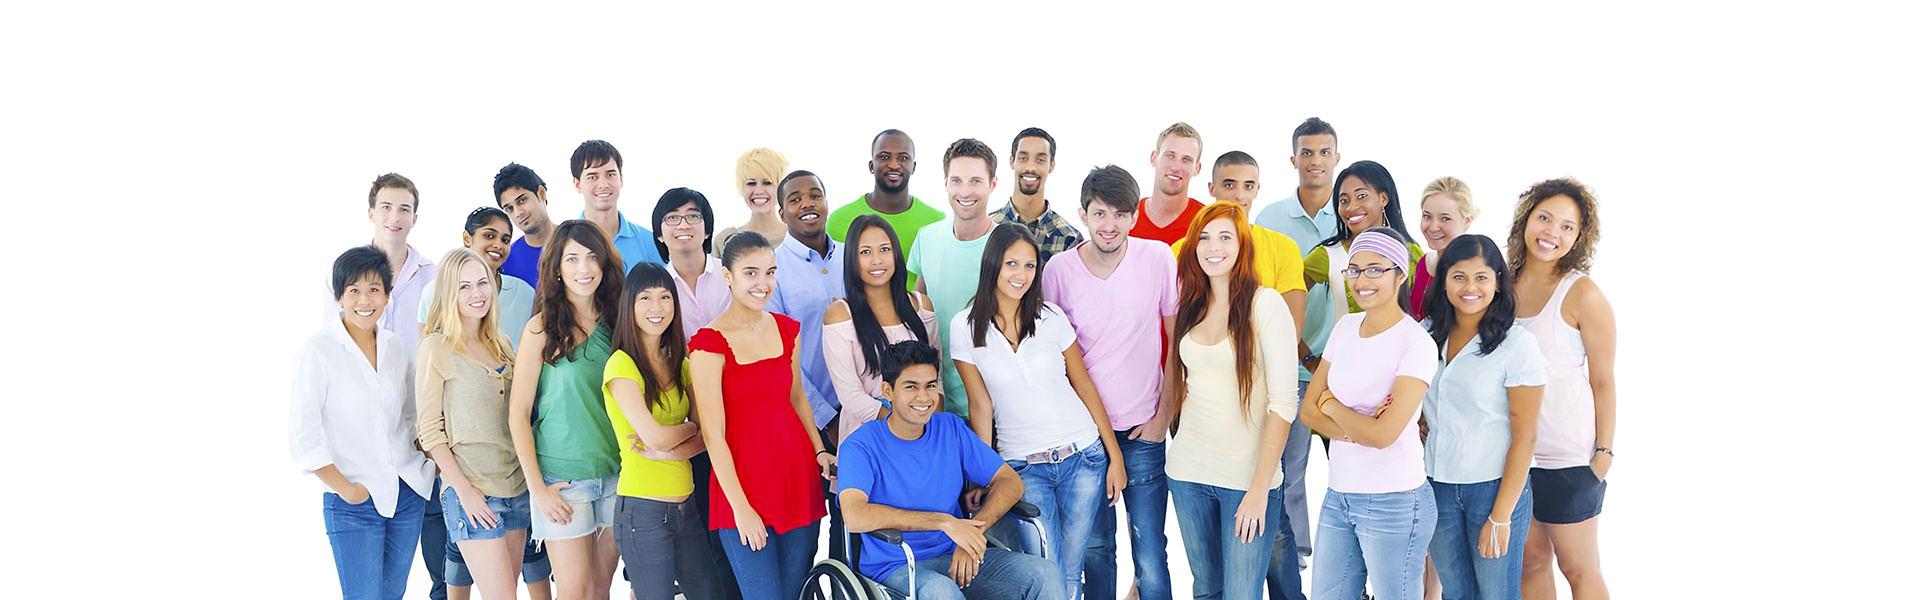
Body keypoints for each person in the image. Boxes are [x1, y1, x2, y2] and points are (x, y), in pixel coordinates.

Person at [950, 223, 1127, 599]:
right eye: (1012, 264)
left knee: (1068, 574)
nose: (1021, 275)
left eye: (1030, 266)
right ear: (993, 265)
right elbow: (981, 407)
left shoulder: (1051, 317)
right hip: (1024, 465)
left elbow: (1084, 386)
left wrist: (1115, 457)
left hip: (1083, 457)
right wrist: (981, 480)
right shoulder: (964, 328)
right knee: (1046, 571)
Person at [1040, 165, 1176, 600]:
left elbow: (1175, 344)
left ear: (1134, 216)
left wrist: (1163, 417)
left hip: (1143, 428)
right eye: (1100, 213)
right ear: (1083, 214)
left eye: (1120, 214)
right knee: (1096, 548)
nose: (1110, 225)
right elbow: (1052, 356)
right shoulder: (1059, 271)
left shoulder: (1157, 258)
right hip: (1085, 435)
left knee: (1151, 548)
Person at [839, 340, 1066, 600]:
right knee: (940, 591)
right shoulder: (861, 445)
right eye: (911, 387)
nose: (924, 398)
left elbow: (1009, 481)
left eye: (930, 386)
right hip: (898, 566)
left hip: (957, 556)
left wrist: (972, 534)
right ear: (888, 392)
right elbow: (855, 515)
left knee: (1042, 573)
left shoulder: (950, 429)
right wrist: (945, 523)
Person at [1163, 203, 1303, 600]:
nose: (1213, 247)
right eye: (1204, 238)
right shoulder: (1190, 303)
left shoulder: (1266, 304)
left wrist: (1259, 489)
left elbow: (1283, 404)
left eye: (1225, 237)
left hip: (1246, 480)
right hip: (1188, 471)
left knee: (1241, 593)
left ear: (1242, 245)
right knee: (1206, 590)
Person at [1296, 228, 1439, 600]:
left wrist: (1331, 405)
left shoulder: (1416, 343)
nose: (1362, 280)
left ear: (1400, 274)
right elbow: (1309, 411)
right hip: (1340, 493)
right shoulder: (1344, 327)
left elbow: (1383, 436)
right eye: (1355, 270)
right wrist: (1352, 420)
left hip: (1395, 500)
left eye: (1375, 269)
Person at [689, 231, 832, 600]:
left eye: (770, 272)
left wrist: (818, 451)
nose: (763, 283)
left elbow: (798, 399)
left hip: (797, 480)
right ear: (728, 276)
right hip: (743, 490)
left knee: (796, 592)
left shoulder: (787, 331)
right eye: (751, 273)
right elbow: (712, 435)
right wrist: (742, 509)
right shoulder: (708, 344)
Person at [291, 245, 436, 600]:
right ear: (339, 296)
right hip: (353, 499)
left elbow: (411, 416)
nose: (364, 300)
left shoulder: (396, 347)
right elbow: (304, 437)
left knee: (392, 595)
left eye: (374, 289)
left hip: (405, 493)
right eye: (353, 290)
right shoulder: (318, 351)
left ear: (387, 295)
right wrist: (348, 489)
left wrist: (427, 460)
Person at [1420, 234, 1546, 600]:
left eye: (1481, 277)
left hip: (1492, 488)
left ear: (1497, 282)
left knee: (1496, 594)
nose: (1469, 287)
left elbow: (1526, 437)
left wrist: (1501, 514)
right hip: (1438, 484)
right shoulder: (1426, 333)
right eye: (1458, 276)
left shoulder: (1516, 344)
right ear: (1443, 281)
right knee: (1456, 593)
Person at [507, 221, 626, 600]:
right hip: (562, 479)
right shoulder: (540, 330)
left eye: (592, 258)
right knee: (575, 591)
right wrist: (537, 488)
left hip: (617, 474)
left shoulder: (620, 322)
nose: (583, 268)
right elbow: (518, 413)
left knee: (600, 589)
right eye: (572, 259)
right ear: (557, 267)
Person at [1508, 179, 1614, 600]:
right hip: (1513, 454)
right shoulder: (1501, 283)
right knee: (1529, 563)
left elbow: (1604, 380)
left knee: (1579, 568)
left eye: (1567, 227)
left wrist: (1603, 455)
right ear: (1527, 219)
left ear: (1579, 236)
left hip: (1567, 456)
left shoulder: (1581, 293)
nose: (1552, 232)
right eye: (1545, 218)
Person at [603, 262, 726, 600]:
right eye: (645, 298)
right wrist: (687, 429)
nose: (656, 308)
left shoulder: (680, 362)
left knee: (711, 594)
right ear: (629, 305)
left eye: (664, 297)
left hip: (686, 508)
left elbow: (706, 434)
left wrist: (671, 445)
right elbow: (660, 435)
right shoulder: (621, 365)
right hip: (643, 511)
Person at [416, 248, 532, 600]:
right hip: (473, 491)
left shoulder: (503, 344)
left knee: (507, 592)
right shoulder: (436, 347)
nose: (477, 293)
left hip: (515, 488)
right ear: (449, 292)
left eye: (482, 283)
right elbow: (430, 431)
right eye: (464, 287)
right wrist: (465, 492)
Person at [1254, 117, 1341, 571]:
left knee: (1352, 472)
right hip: (1295, 369)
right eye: (1307, 152)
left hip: (1348, 374)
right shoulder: (1270, 219)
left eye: (1324, 152)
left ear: (1336, 158)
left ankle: (1345, 557)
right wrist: (1302, 352)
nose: (1315, 161)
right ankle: (1295, 556)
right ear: (1293, 159)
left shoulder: (1351, 214)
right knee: (1289, 470)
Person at [907, 139, 1001, 416]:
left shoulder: (1007, 245)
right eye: (956, 181)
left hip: (996, 408)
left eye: (975, 181)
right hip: (938, 404)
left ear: (992, 184)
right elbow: (920, 312)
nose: (965, 191)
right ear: (946, 183)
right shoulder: (928, 237)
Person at [825, 215, 939, 441]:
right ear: (852, 260)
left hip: (922, 433)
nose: (877, 260)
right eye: (865, 252)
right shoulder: (839, 315)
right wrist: (902, 425)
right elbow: (850, 396)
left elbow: (938, 379)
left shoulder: (921, 306)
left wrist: (926, 431)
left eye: (885, 249)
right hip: (868, 439)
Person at [765, 170, 845, 439]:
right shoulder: (772, 270)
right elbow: (780, 354)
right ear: (782, 214)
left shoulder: (853, 255)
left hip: (872, 408)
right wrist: (825, 418)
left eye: (815, 196)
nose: (808, 204)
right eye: (795, 199)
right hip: (813, 421)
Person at [826, 129, 946, 290]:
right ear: (871, 166)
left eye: (903, 158)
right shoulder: (839, 220)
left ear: (913, 166)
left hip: (919, 313)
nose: (894, 164)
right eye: (884, 157)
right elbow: (834, 280)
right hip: (858, 314)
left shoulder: (937, 221)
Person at [417, 208, 537, 350]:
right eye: (489, 236)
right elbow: (426, 350)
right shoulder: (434, 291)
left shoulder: (524, 293)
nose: (499, 245)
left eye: (505, 240)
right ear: (467, 238)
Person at [989, 127, 1082, 265]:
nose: (1031, 167)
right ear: (1011, 161)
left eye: (1040, 160)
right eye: (1023, 158)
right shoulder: (988, 229)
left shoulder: (1069, 240)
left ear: (1051, 165)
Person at [572, 140, 666, 274]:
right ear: (577, 184)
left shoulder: (650, 243)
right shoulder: (562, 244)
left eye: (610, 175)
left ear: (621, 179)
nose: (603, 184)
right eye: (592, 177)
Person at [652, 187, 732, 335]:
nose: (683, 225)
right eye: (672, 218)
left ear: (707, 231)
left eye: (693, 216)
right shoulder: (655, 285)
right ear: (659, 235)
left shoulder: (731, 274)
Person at [1129, 122, 1207, 246]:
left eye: (1186, 160)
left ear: (1197, 168)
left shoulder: (1206, 221)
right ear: (1154, 158)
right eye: (1170, 156)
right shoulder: (1127, 216)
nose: (1176, 167)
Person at [1413, 177, 1478, 321]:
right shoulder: (1424, 262)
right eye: (1427, 216)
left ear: (1467, 221)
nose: (1433, 227)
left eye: (1445, 219)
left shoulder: (1473, 270)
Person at [495, 163, 558, 290]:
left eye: (522, 201)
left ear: (541, 194)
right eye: (509, 208)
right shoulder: (506, 263)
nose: (518, 213)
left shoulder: (578, 241)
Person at [717, 147, 790, 248]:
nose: (759, 191)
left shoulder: (799, 236)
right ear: (741, 187)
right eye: (751, 183)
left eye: (767, 183)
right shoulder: (725, 240)